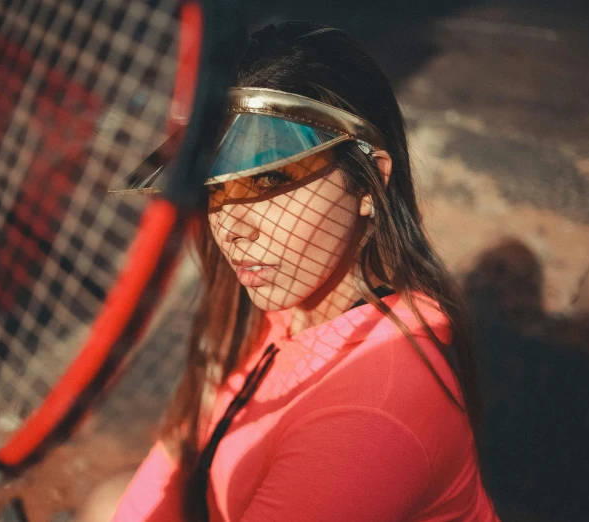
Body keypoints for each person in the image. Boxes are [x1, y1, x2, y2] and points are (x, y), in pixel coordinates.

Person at [110, 21, 499, 522]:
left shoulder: (368, 419)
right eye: (215, 187)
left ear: (369, 182)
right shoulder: (272, 309)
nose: (231, 226)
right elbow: (175, 458)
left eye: (271, 178)